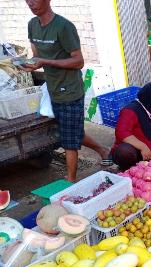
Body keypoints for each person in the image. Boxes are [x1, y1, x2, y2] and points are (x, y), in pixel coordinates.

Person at [23, 0, 111, 182]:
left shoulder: (64, 27)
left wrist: (45, 62)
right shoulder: (32, 25)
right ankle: (103, 150)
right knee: (71, 131)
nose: (30, 3)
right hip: (53, 88)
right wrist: (30, 64)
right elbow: (36, 55)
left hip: (70, 90)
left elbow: (78, 61)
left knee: (69, 140)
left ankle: (71, 180)